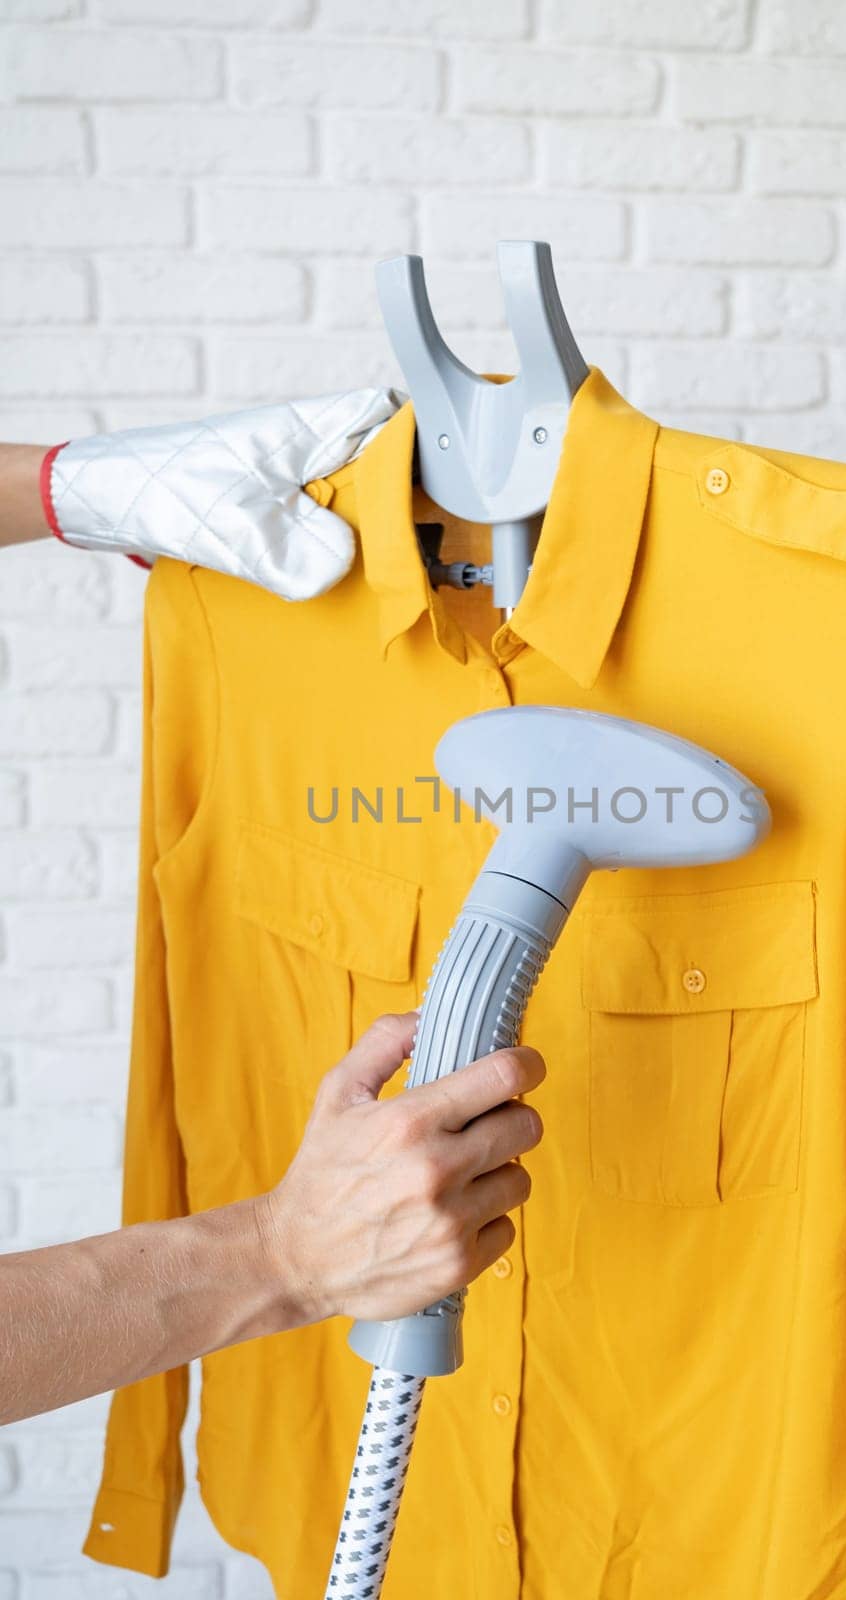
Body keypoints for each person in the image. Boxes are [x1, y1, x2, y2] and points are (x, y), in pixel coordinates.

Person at [0, 395, 547, 1425]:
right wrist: (279, 1256)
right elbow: (185, 999)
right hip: (326, 1441)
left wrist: (55, 486)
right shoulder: (225, 619)